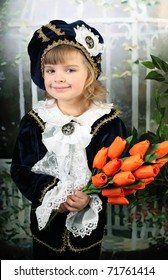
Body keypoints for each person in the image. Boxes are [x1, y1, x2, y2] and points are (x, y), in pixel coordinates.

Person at [10, 19, 127, 260]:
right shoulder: (35, 121)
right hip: (45, 231)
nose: (58, 78)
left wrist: (90, 196)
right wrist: (52, 193)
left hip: (88, 233)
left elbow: (118, 171)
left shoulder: (108, 122)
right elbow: (21, 169)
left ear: (90, 73)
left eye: (70, 70)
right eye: (50, 70)